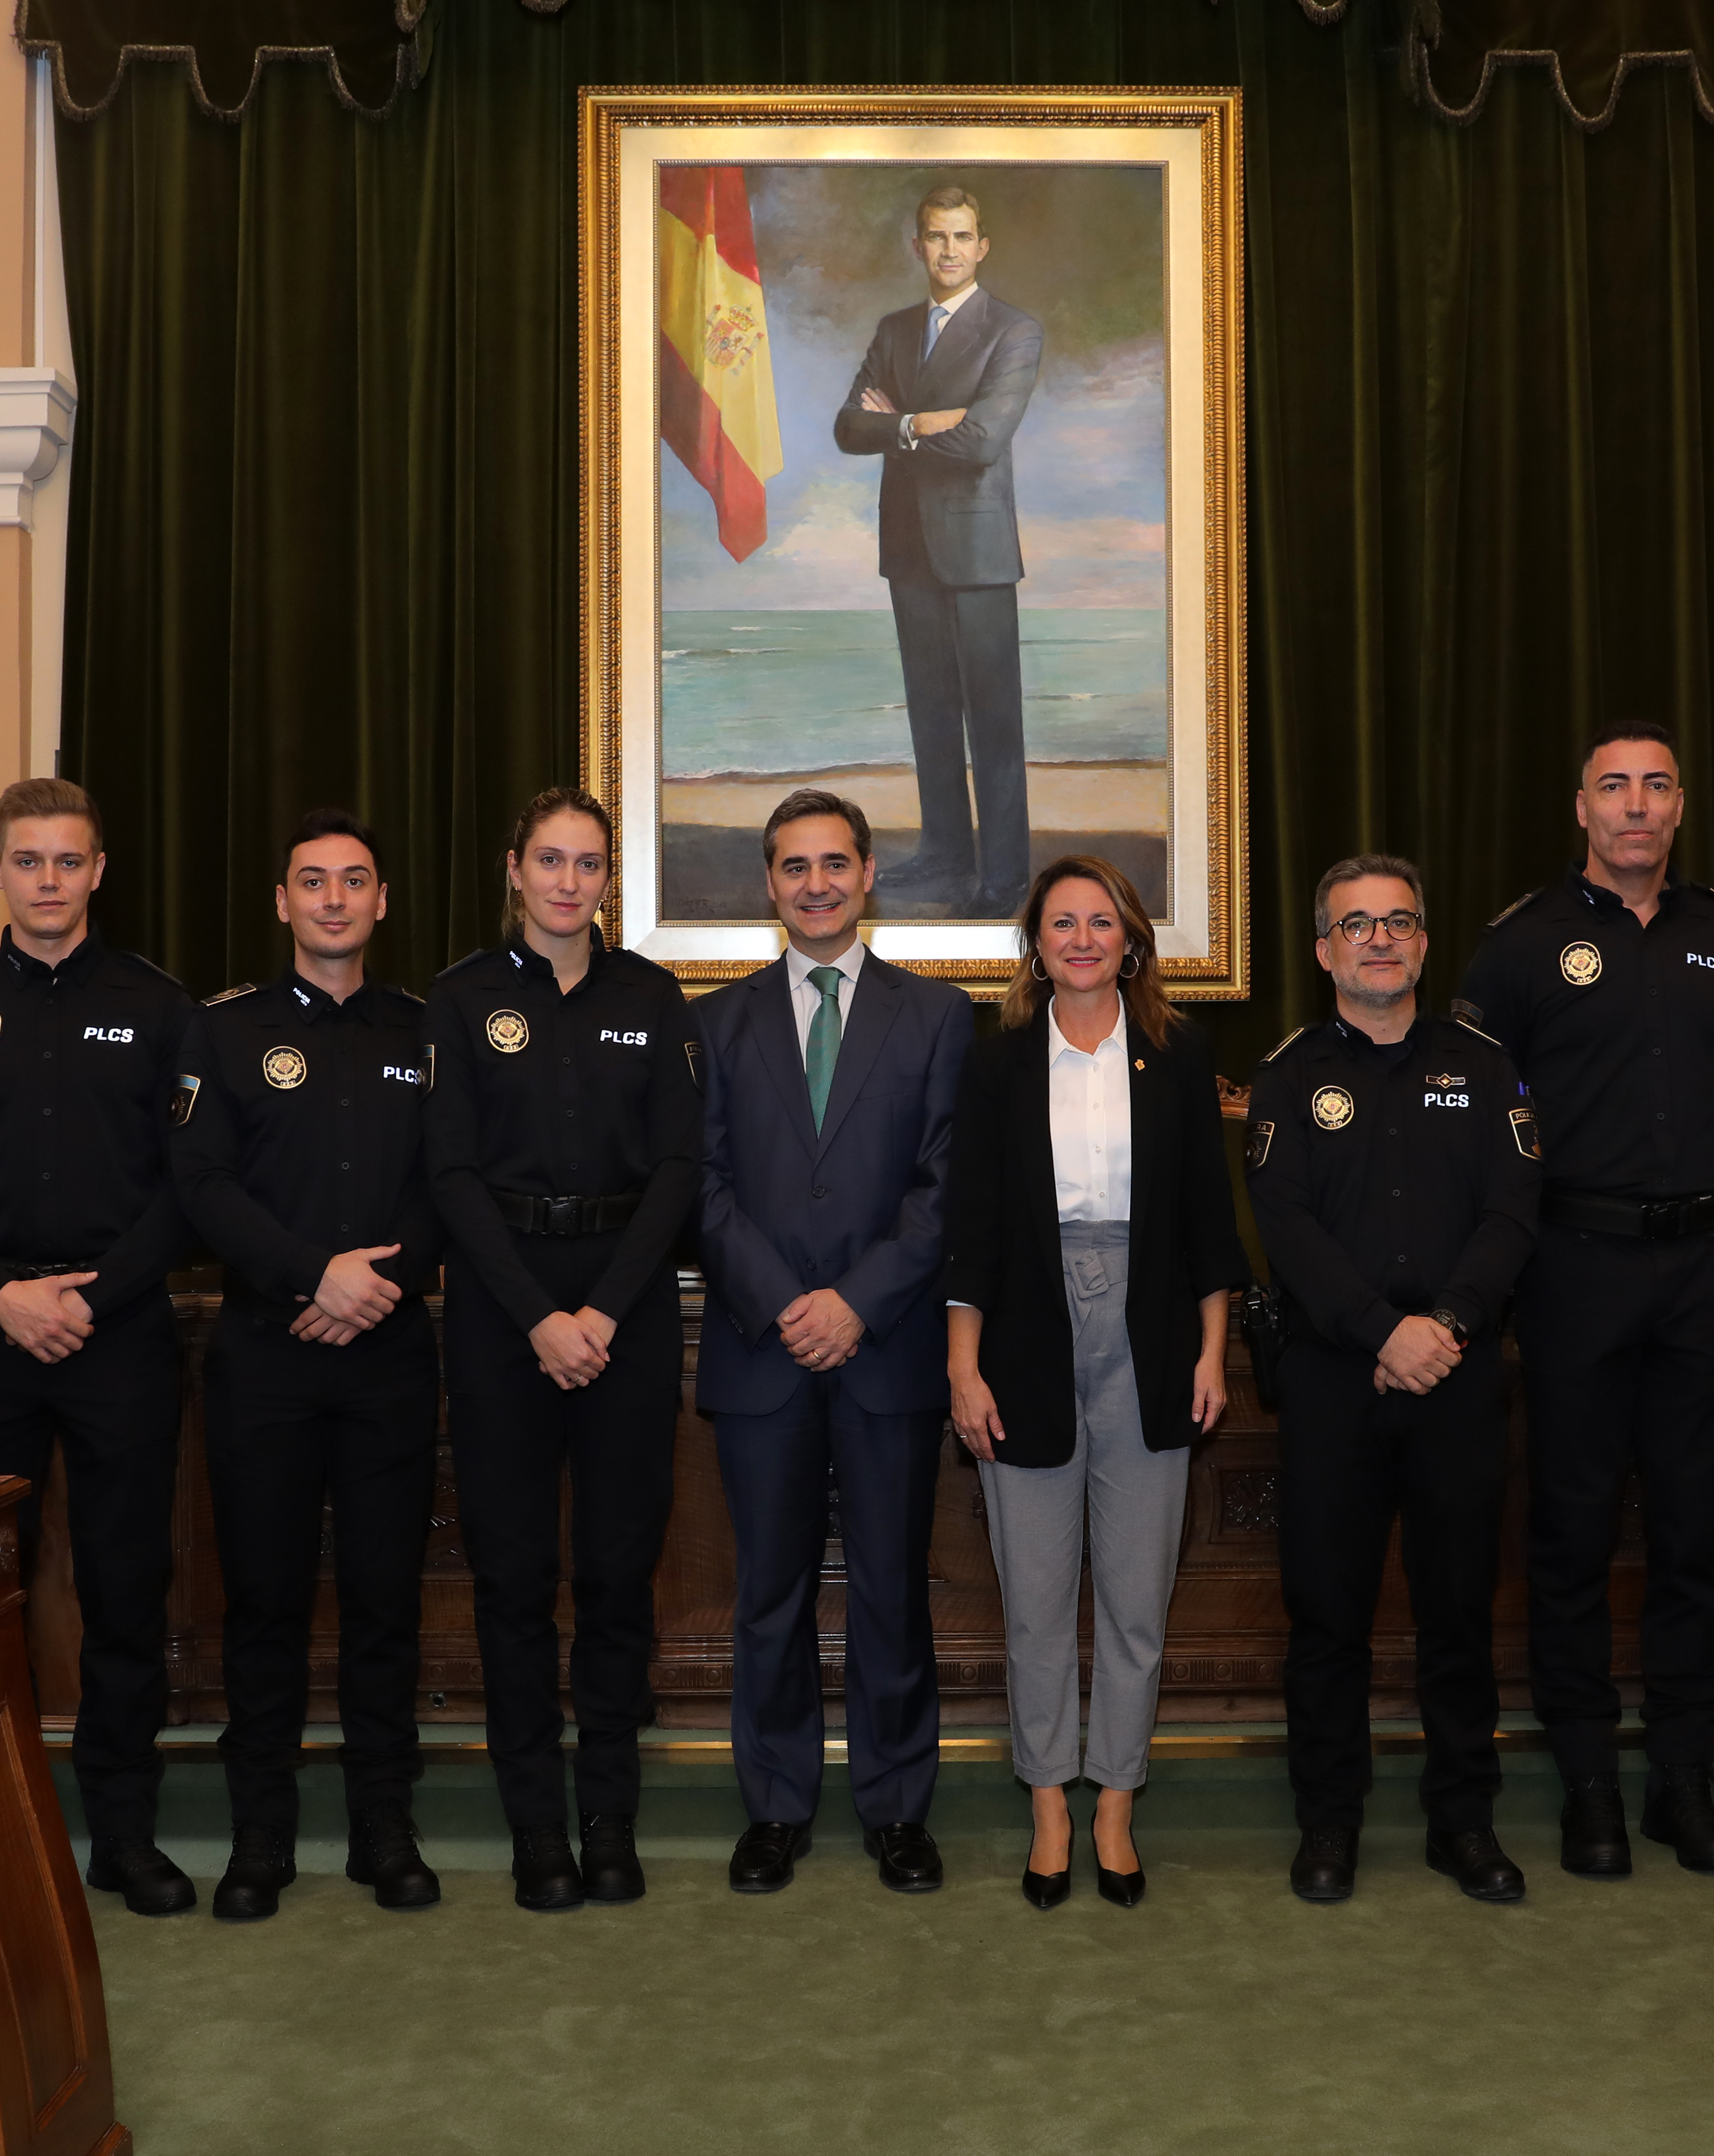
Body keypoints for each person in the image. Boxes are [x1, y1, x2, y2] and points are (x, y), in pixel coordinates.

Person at [1452, 723, 1714, 1878]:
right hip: (1575, 1266)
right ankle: (1587, 1781)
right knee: (1572, 1533)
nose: (1635, 806)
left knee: (1695, 1533)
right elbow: (1482, 1125)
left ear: (1680, 806)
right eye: (1613, 788)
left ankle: (1684, 1780)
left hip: (1704, 1270)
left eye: (1655, 787)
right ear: (1579, 807)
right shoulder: (1519, 946)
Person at [0, 778, 199, 1917]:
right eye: (30, 860)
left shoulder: (164, 1009)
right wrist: (2, 1292)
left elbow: (188, 1184)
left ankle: (125, 1834)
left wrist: (96, 1296)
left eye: (70, 859)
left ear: (99, 868)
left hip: (121, 1340)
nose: (50, 879)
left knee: (126, 1589)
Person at [948, 855, 1247, 1910]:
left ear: (1131, 940)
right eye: (1062, 923)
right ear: (1036, 943)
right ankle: (1049, 1805)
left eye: (1102, 921)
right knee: (1035, 1601)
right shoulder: (998, 1064)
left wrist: (1213, 1352)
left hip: (1155, 1336)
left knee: (1133, 1600)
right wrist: (962, 1367)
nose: (1082, 938)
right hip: (1024, 1337)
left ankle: (1115, 1798)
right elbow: (972, 1230)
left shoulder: (1178, 1051)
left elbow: (1213, 1224)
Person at [425, 788, 702, 1911]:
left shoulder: (652, 995)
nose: (567, 881)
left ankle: (609, 1816)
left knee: (617, 1577)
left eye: (588, 863)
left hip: (625, 1310)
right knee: (514, 1580)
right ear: (514, 867)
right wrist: (540, 1314)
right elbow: (448, 1174)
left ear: (606, 880)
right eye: (549, 859)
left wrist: (604, 1311)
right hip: (505, 1310)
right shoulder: (461, 998)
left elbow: (680, 1171)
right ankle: (537, 1825)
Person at [1247, 855, 1541, 1905]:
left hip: (1458, 1377)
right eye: (1357, 925)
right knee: (1328, 1616)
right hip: (1336, 1384)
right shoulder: (1287, 1076)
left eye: (1400, 923)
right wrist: (1382, 1332)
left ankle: (1463, 1823)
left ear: (1424, 943)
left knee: (1459, 1613)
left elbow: (1514, 1212)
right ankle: (1329, 1823)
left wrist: (1447, 1325)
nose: (1380, 940)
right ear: (1324, 949)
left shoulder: (1487, 1065)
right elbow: (1285, 1227)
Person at [694, 789, 972, 1895]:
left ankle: (898, 1806)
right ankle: (774, 1806)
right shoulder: (714, 1023)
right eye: (793, 866)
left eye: (835, 863)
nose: (815, 883)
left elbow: (941, 1188)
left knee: (893, 1589)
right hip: (762, 1350)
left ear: (869, 875)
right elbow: (702, 1187)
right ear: (770, 883)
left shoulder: (938, 1019)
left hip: (888, 1347)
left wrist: (853, 1302)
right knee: (769, 1590)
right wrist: (787, 1300)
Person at [170, 808, 445, 1921]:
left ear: (383, 902)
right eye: (312, 881)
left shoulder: (428, 1035)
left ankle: (385, 1827)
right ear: (281, 902)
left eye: (356, 881)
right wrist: (309, 1278)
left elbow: (450, 1185)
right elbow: (202, 1186)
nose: (334, 899)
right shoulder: (222, 1034)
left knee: (386, 1602)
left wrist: (369, 1285)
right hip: (264, 1357)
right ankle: (261, 1835)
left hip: (388, 1355)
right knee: (265, 1603)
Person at [832, 183, 1043, 915]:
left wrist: (898, 425)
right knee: (929, 710)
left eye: (961, 237)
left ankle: (1005, 877)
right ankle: (948, 858)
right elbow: (847, 427)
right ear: (917, 246)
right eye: (935, 236)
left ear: (981, 247)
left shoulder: (1013, 331)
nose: (948, 250)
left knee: (993, 719)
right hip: (909, 548)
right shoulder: (894, 331)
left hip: (978, 552)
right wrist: (924, 425)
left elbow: (985, 441)